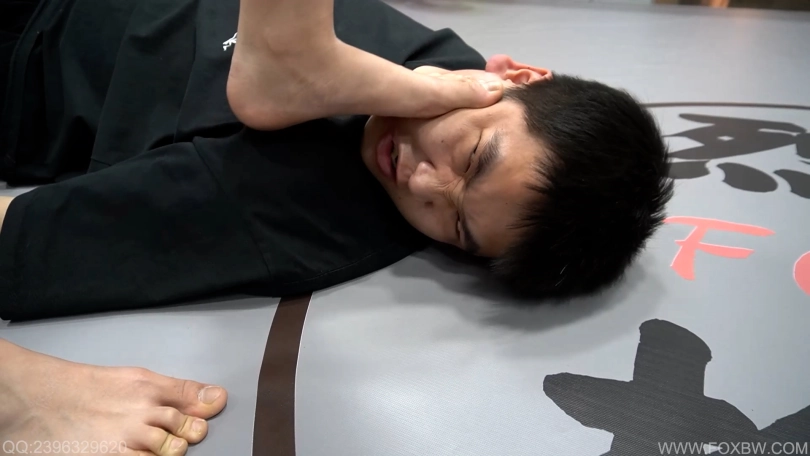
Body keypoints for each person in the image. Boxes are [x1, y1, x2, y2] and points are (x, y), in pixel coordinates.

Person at [0, 0, 673, 454]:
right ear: (516, 76)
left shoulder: (298, 208)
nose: (423, 183)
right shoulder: (451, 61)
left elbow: (17, 242)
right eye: (473, 156)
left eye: (455, 224)